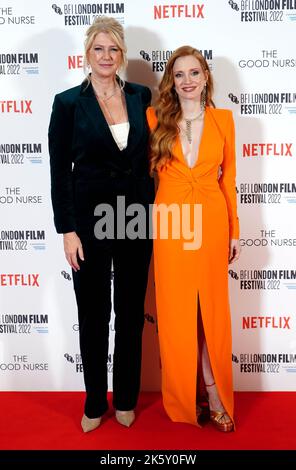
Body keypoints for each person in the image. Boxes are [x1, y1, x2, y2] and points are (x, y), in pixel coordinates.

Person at [48, 16, 154, 432]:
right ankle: (95, 402)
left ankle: (125, 398)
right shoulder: (68, 103)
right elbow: (60, 172)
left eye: (113, 49)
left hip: (135, 218)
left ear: (121, 54)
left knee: (130, 314)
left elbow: (155, 154)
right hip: (89, 221)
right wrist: (67, 230)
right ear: (87, 53)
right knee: (93, 314)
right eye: (98, 49)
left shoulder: (141, 96)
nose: (106, 56)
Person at [147, 46, 240, 432]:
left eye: (194, 73)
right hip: (170, 225)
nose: (187, 80)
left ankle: (216, 395)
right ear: (172, 80)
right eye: (179, 74)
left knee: (211, 314)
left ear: (205, 77)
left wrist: (235, 230)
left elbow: (229, 182)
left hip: (212, 221)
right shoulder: (154, 118)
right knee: (175, 314)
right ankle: (185, 399)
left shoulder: (223, 121)